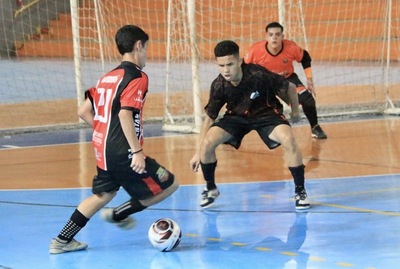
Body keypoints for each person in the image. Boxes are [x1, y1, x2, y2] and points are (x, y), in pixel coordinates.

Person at [49, 25, 179, 254]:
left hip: (103, 148)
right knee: (169, 185)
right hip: (124, 151)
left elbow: (83, 110)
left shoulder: (107, 77)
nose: (146, 53)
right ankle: (119, 214)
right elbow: (125, 113)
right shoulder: (137, 77)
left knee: (104, 194)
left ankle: (62, 240)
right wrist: (136, 151)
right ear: (138, 45)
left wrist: (105, 132)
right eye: (146, 47)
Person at [189, 40, 310, 211]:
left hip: (266, 114)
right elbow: (209, 119)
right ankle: (210, 188)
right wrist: (198, 152)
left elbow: (290, 87)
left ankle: (300, 191)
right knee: (208, 144)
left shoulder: (257, 74)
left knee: (289, 139)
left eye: (230, 64)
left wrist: (295, 112)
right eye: (221, 65)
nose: (226, 70)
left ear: (240, 61)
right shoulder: (219, 85)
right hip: (236, 117)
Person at [244, 21, 327, 139]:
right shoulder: (255, 50)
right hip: (265, 83)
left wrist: (309, 80)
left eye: (277, 34)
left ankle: (315, 127)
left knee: (308, 99)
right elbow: (244, 67)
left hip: (287, 79)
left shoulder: (291, 48)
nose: (274, 38)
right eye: (271, 35)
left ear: (282, 36)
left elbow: (305, 57)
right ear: (266, 37)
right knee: (246, 105)